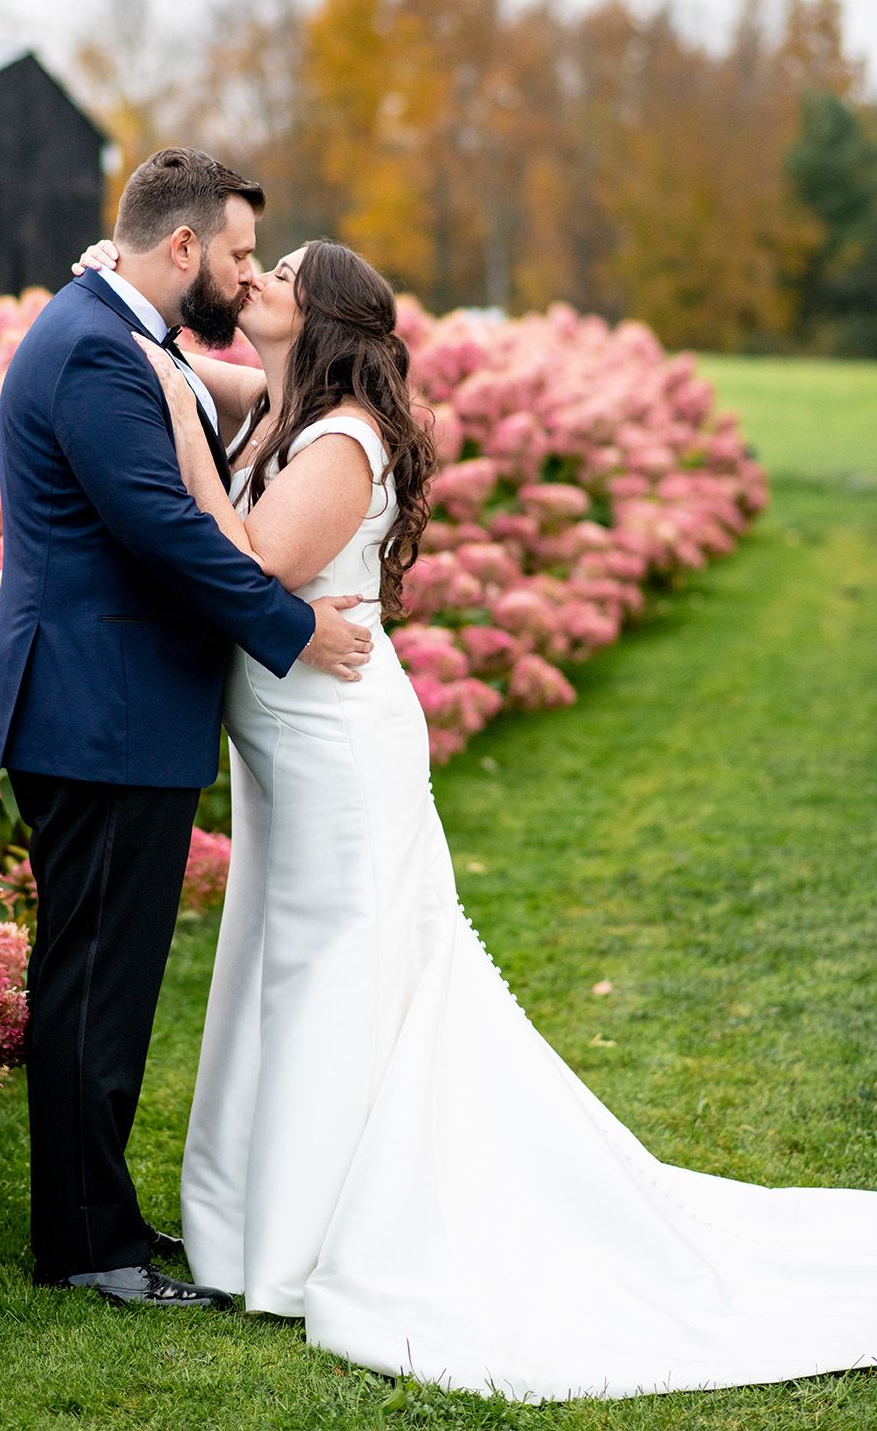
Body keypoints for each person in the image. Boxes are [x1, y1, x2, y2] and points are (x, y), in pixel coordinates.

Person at [73, 230, 877, 1402]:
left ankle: (307, 1235)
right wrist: (124, 297)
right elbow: (194, 366)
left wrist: (178, 422)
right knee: (279, 961)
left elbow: (247, 557)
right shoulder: (285, 402)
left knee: (336, 970)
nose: (256, 280)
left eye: (280, 275)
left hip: (337, 751)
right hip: (287, 747)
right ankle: (255, 1222)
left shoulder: (341, 440)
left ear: (322, 317)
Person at [0, 149, 372, 1311]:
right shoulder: (98, 345)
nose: (247, 275)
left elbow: (211, 413)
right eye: (239, 252)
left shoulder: (123, 327)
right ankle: (89, 1246)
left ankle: (94, 1217)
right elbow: (163, 529)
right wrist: (293, 628)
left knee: (105, 974)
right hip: (98, 709)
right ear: (182, 245)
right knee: (96, 980)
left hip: (109, 705)